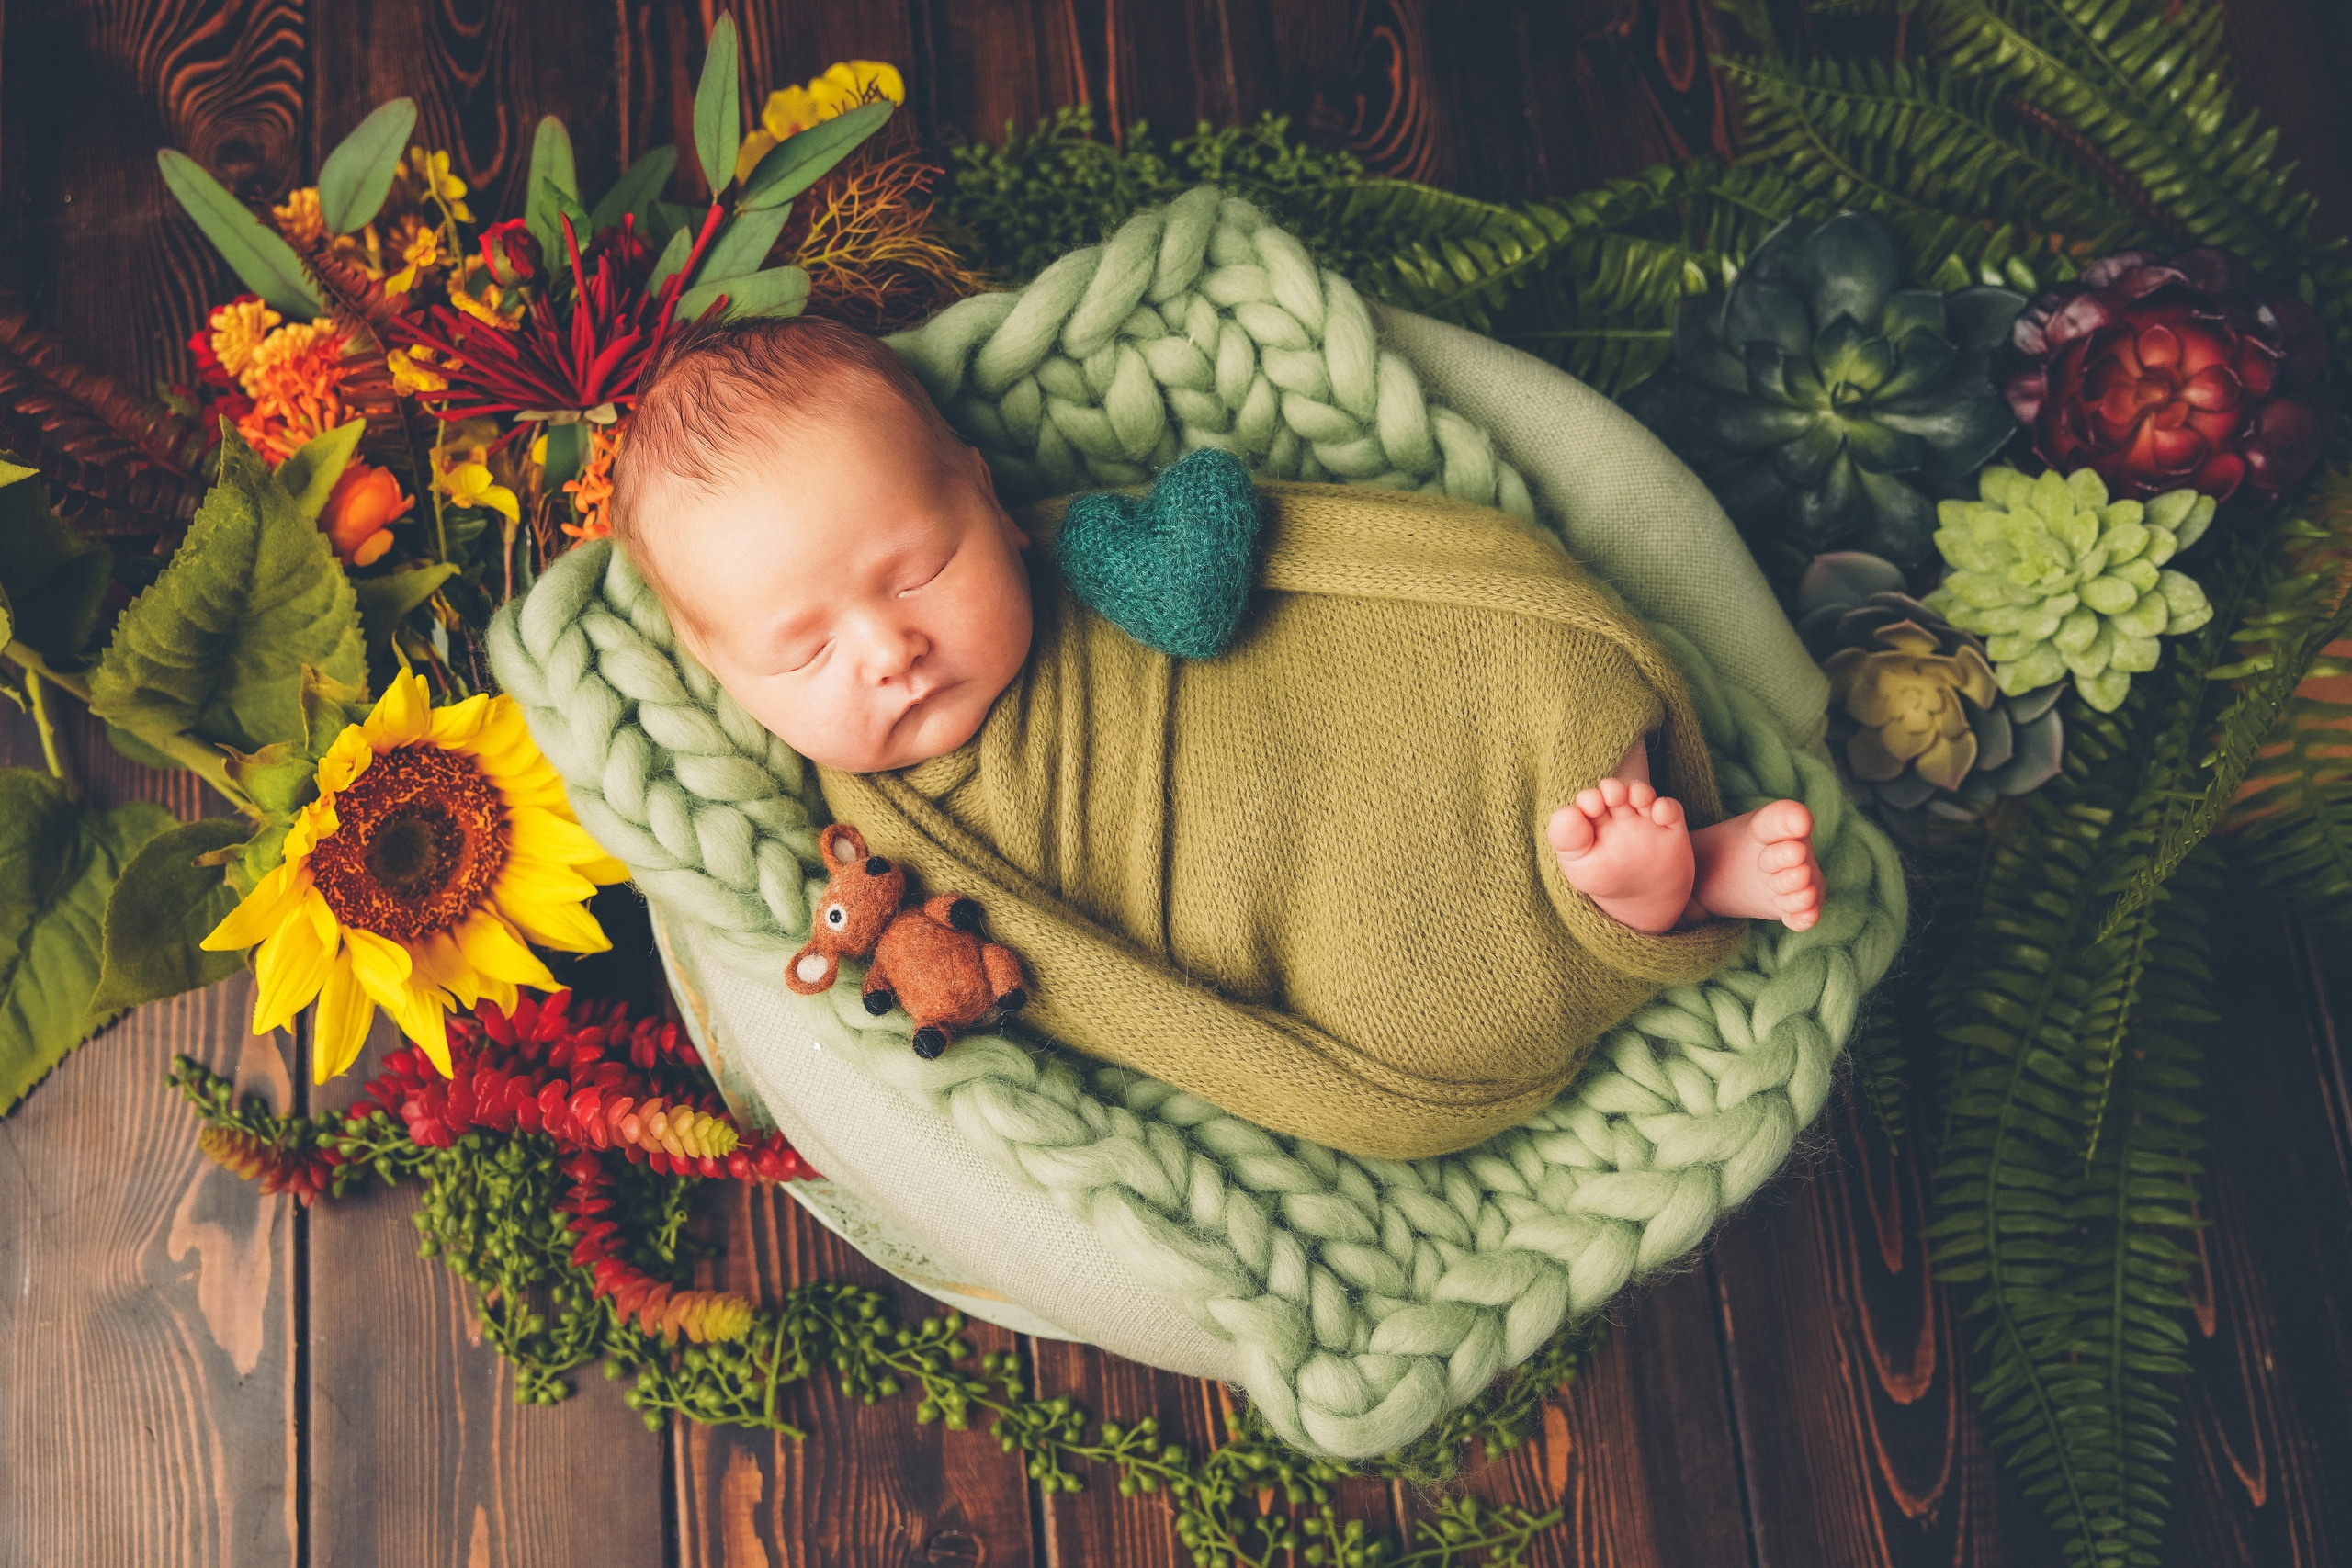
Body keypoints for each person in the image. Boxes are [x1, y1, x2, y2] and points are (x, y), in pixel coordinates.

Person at [605, 316, 1826, 1158]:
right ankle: (1646, 897)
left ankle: (1673, 858)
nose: (888, 648)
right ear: (725, 676)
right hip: (1281, 909)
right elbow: (1067, 978)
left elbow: (1315, 564)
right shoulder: (879, 836)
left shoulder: (1093, 549)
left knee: (1530, 669)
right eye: (804, 652)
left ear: (986, 496)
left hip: (1340, 710)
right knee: (1415, 1004)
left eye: (922, 569)